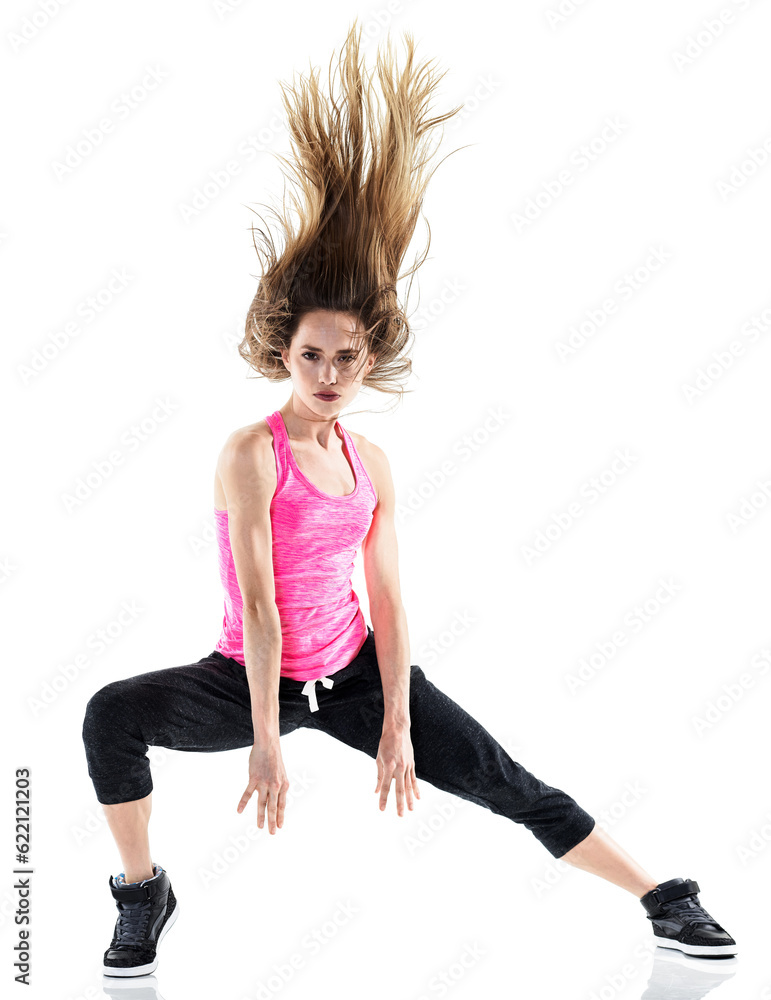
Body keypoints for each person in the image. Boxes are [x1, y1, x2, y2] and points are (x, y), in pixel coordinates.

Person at [81, 20, 737, 980]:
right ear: (282, 352)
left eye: (347, 357)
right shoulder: (248, 455)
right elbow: (259, 608)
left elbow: (386, 598)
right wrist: (265, 743)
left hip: (352, 670)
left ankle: (661, 898)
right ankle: (143, 894)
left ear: (370, 357)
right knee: (108, 713)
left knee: (499, 778)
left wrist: (393, 720)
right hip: (248, 675)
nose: (330, 372)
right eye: (312, 355)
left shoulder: (373, 460)